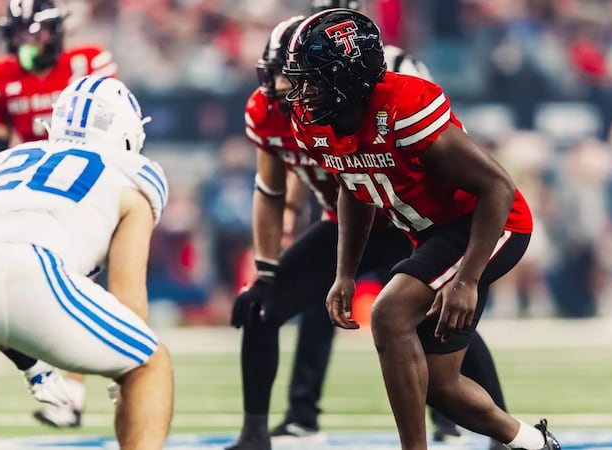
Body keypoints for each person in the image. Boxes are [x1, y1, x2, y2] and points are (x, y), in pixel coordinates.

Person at [283, 9, 560, 450]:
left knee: (390, 314)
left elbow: (497, 187)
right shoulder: (314, 123)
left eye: (315, 78)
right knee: (439, 386)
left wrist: (467, 278)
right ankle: (533, 443)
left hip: (488, 224)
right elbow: (352, 188)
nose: (304, 91)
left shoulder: (404, 105)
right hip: (433, 234)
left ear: (351, 75)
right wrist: (346, 273)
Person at [228, 12, 506, 450]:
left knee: (441, 318)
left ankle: (491, 428)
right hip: (347, 220)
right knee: (265, 305)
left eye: (296, 77)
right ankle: (263, 432)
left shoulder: (386, 89)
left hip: (407, 219)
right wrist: (266, 270)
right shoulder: (280, 112)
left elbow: (461, 163)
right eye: (283, 76)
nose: (286, 89)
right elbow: (276, 188)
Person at [0, 75, 173, 450]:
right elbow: (128, 303)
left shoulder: (7, 161)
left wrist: (31, 365)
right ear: (126, 132)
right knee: (148, 363)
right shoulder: (132, 179)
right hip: (24, 269)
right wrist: (121, 375)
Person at [0, 0, 118, 428]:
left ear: (56, 31)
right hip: (31, 190)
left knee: (81, 284)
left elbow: (115, 128)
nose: (25, 43)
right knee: (3, 282)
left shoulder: (87, 63)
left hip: (85, 185)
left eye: (34, 32)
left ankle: (79, 389)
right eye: (18, 34)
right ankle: (54, 381)